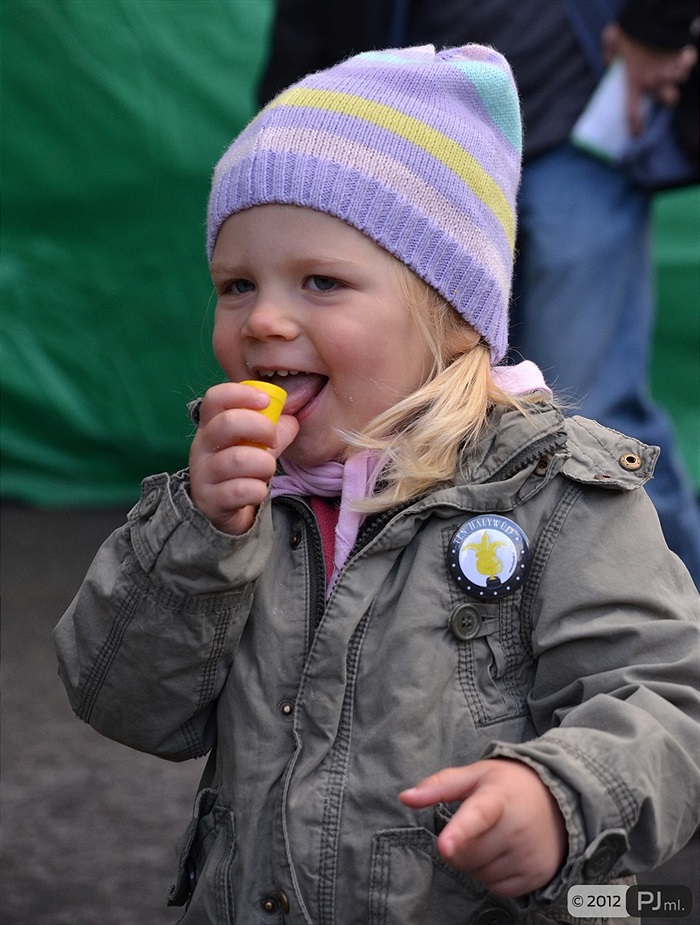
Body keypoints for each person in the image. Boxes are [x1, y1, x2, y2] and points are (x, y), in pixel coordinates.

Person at [53, 45, 699, 925]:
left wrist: (562, 794)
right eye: (236, 284)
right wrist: (199, 538)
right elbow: (124, 703)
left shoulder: (553, 491)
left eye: (322, 281)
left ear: (455, 311)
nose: (265, 319)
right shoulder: (235, 501)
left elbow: (669, 699)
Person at [258, 0, 700, 591]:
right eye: (236, 288)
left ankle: (678, 616)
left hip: (577, 125)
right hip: (419, 160)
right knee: (423, 414)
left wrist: (657, 27)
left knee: (598, 411)